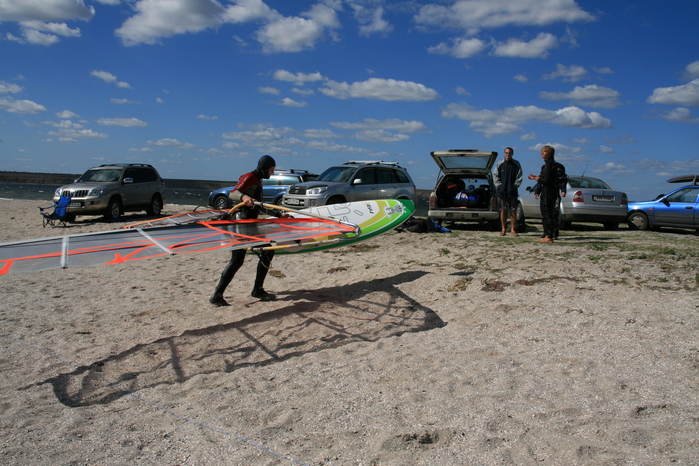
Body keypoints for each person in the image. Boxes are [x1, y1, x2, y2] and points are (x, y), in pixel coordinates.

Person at [210, 155, 286, 306]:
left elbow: (259, 205)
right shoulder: (249, 177)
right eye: (271, 169)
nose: (272, 173)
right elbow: (233, 193)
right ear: (264, 168)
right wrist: (243, 196)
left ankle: (256, 289)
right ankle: (218, 295)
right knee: (237, 260)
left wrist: (279, 214)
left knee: (267, 251)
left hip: (250, 226)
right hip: (241, 226)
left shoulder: (257, 181)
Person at [527, 145, 567, 243]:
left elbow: (549, 180)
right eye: (541, 152)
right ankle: (546, 233)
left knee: (551, 213)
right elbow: (543, 179)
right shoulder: (545, 166)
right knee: (545, 213)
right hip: (545, 191)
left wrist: (538, 179)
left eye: (544, 152)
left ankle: (551, 235)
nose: (542, 154)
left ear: (549, 153)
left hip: (550, 191)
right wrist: (537, 189)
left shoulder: (553, 165)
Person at [493, 147, 523, 236]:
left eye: (509, 153)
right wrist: (499, 186)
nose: (508, 154)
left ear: (512, 154)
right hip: (502, 191)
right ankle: (503, 229)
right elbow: (495, 175)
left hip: (512, 191)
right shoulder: (500, 164)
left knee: (513, 210)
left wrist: (515, 186)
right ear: (504, 153)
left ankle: (513, 230)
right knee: (503, 210)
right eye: (506, 152)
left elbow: (519, 176)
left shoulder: (516, 164)